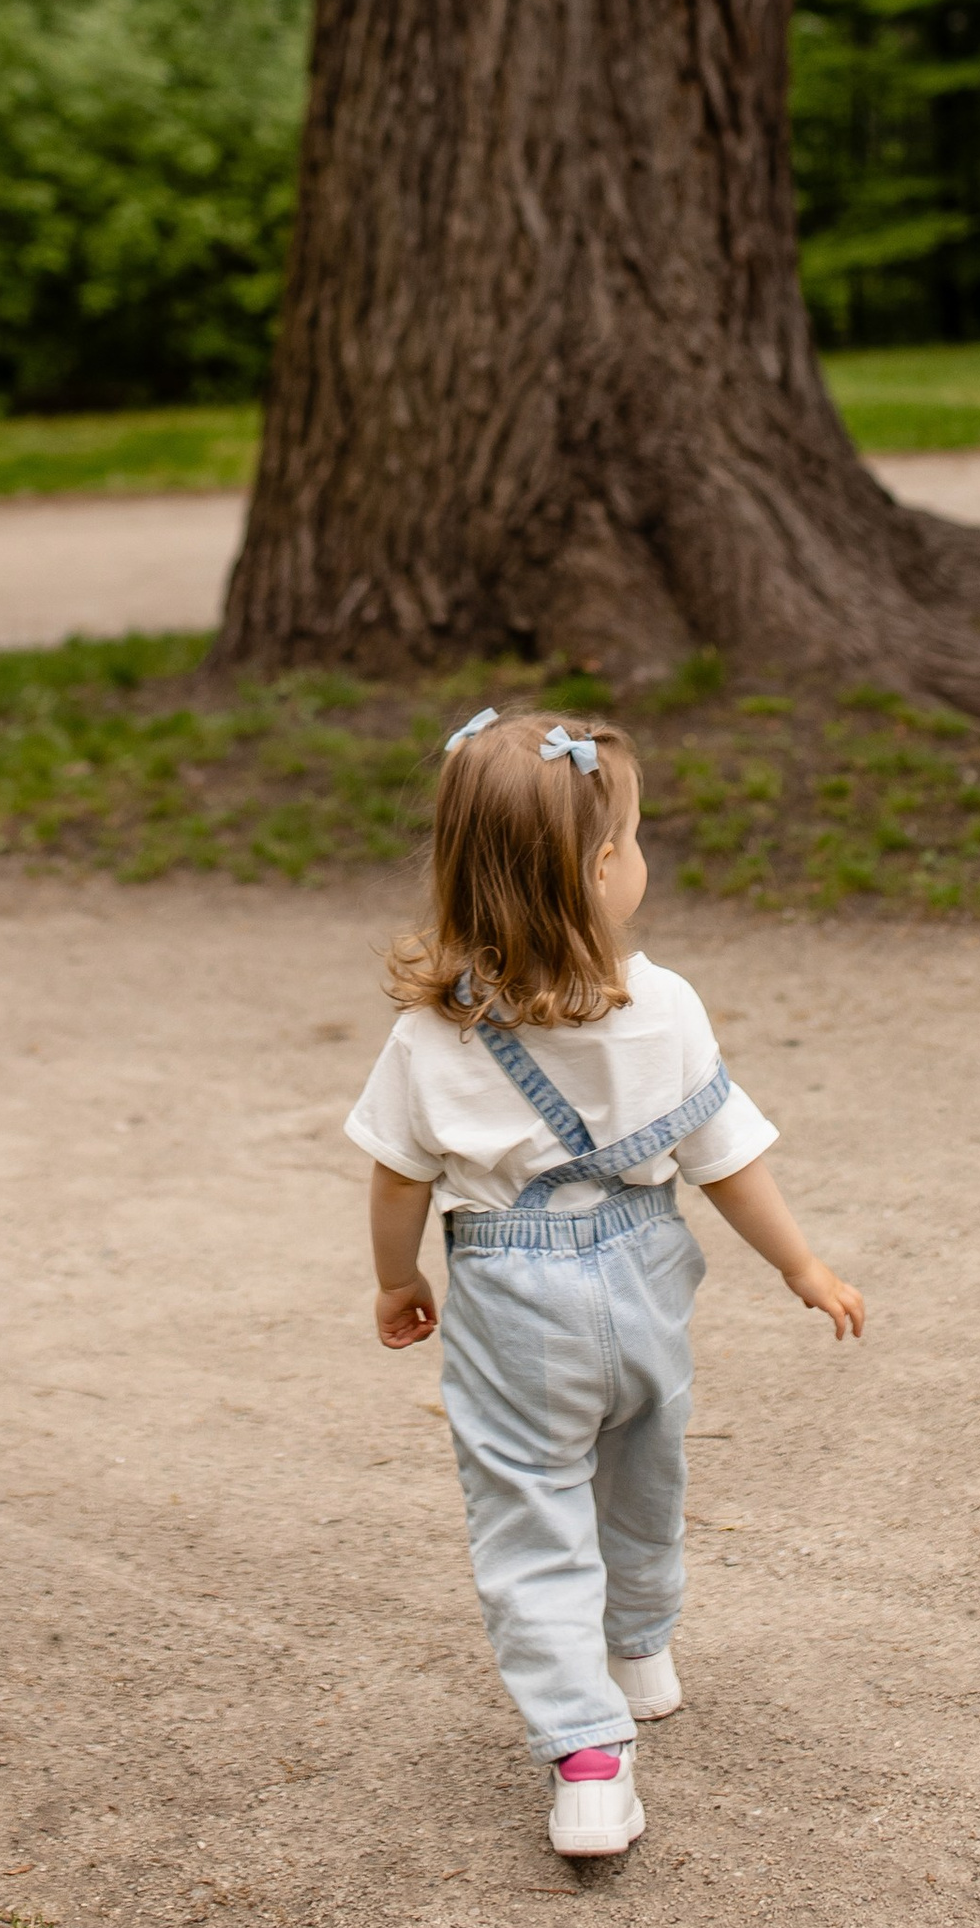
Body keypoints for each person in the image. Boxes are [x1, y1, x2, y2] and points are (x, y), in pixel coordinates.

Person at [345, 702, 868, 1857]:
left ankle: (586, 1759)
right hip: (643, 1286)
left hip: (513, 1303)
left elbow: (395, 1181)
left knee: (530, 1511)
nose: (642, 855)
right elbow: (725, 1157)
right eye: (632, 837)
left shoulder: (431, 1036)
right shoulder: (662, 1004)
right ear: (597, 870)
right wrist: (801, 1264)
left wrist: (395, 1282)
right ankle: (639, 1653)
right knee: (643, 1467)